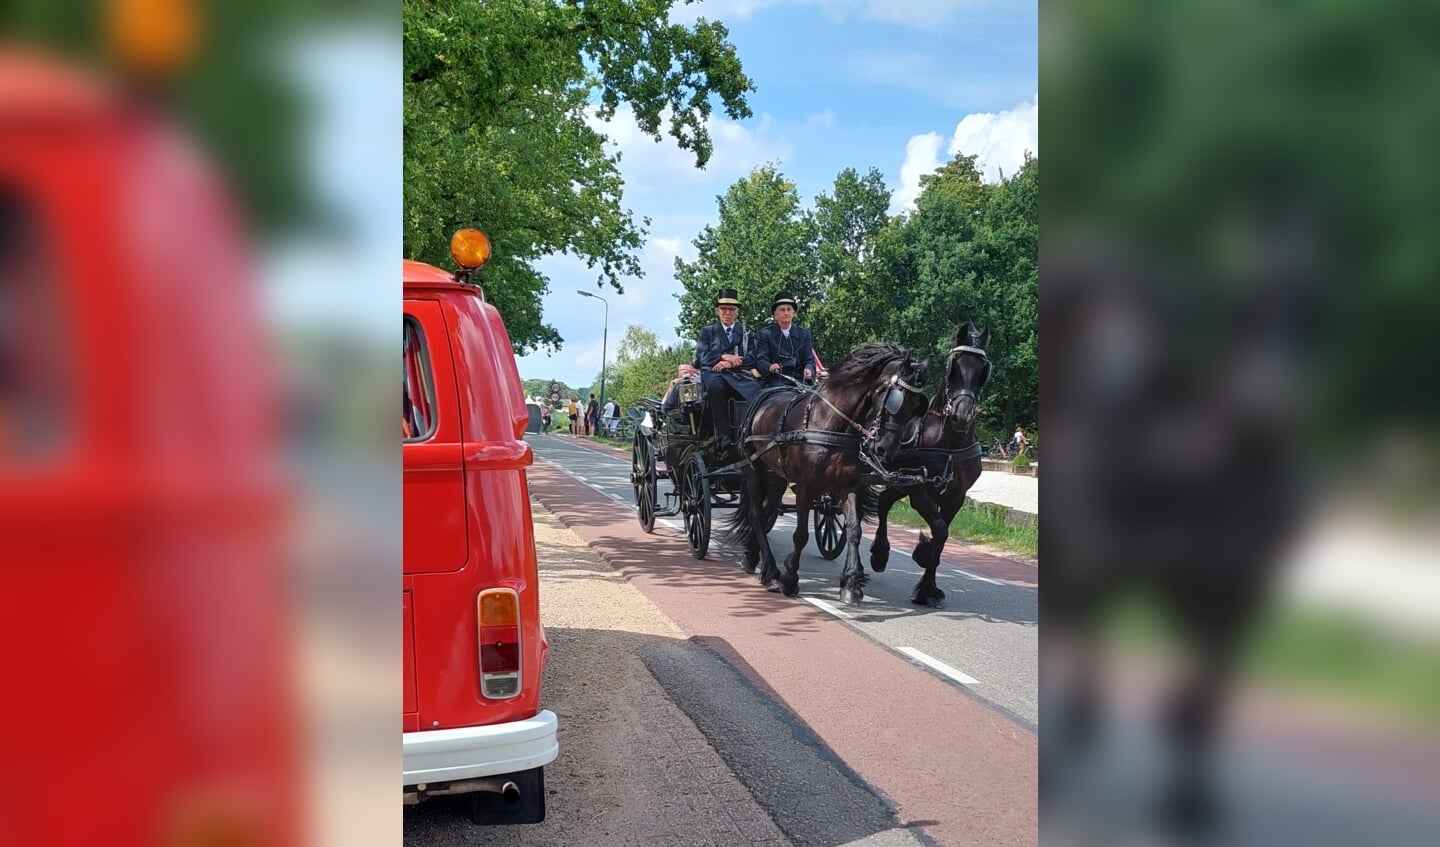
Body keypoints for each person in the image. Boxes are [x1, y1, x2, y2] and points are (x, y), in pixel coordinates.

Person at [695, 286, 760, 450]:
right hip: (714, 373)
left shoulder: (745, 333)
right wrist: (722, 356)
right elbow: (701, 358)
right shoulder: (707, 332)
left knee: (758, 389)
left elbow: (752, 358)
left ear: (737, 312)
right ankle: (722, 437)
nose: (727, 313)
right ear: (718, 311)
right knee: (717, 387)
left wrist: (730, 362)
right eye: (723, 309)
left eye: (731, 309)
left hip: (740, 373)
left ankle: (750, 433)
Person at [756, 289, 815, 386]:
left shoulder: (804, 334)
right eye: (782, 310)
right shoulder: (766, 333)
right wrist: (769, 367)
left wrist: (808, 369)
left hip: (799, 380)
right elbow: (761, 359)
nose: (786, 313)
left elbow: (809, 360)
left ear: (794, 313)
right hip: (776, 379)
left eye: (789, 309)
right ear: (776, 314)